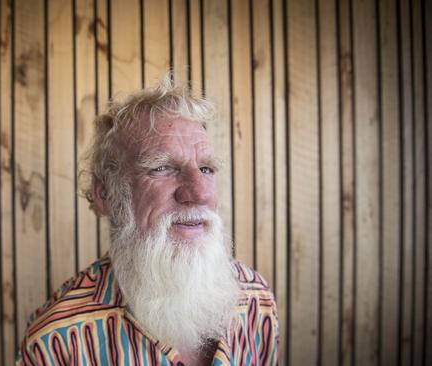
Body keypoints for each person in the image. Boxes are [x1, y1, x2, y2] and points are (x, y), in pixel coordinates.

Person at [16, 77, 279, 366]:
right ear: (106, 194)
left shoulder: (257, 300)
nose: (201, 192)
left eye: (206, 168)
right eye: (162, 167)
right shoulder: (56, 342)